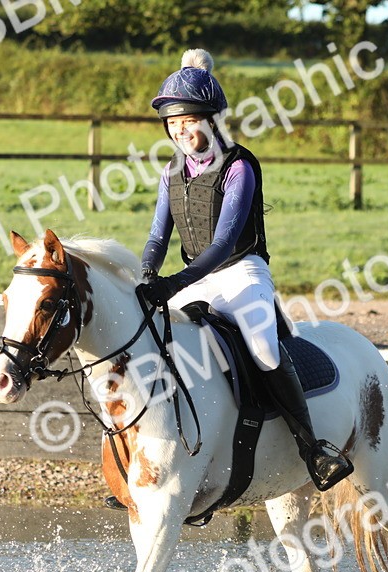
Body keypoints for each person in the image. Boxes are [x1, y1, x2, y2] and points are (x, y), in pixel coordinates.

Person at [135, 49, 353, 492]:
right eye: (173, 124)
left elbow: (222, 245)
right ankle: (143, 457)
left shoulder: (238, 166)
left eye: (188, 121)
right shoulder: (170, 173)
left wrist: (175, 282)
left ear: (211, 120)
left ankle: (312, 447)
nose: (180, 131)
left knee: (266, 351)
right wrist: (145, 275)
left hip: (240, 271)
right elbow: (159, 237)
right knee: (151, 341)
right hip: (196, 276)